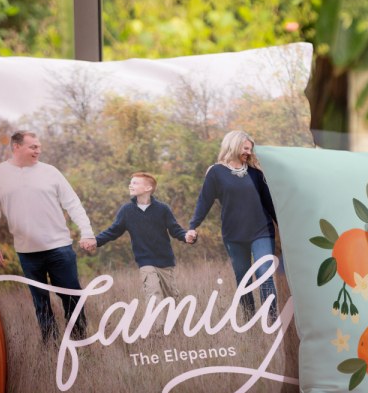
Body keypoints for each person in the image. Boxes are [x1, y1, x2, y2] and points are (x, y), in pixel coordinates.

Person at [0, 130, 96, 342]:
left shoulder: (50, 172)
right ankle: (50, 348)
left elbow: (73, 203)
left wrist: (87, 232)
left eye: (39, 146)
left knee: (72, 297)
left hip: (59, 247)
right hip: (27, 253)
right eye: (33, 146)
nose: (38, 150)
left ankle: (80, 343)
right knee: (40, 303)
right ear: (16, 147)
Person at [188, 130, 278, 318]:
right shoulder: (216, 173)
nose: (248, 152)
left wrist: (284, 227)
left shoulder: (256, 174)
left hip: (261, 231)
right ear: (234, 145)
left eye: (250, 149)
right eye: (245, 148)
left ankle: (271, 321)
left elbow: (270, 203)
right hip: (234, 235)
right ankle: (249, 321)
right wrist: (192, 226)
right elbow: (204, 201)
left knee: (264, 274)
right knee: (243, 279)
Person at [91, 172, 196, 303]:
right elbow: (113, 231)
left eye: (135, 183)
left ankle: (172, 324)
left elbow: (175, 230)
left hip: (165, 262)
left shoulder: (163, 209)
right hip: (145, 261)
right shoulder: (126, 211)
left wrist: (187, 237)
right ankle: (158, 324)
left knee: (171, 301)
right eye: (130, 182)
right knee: (154, 297)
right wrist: (96, 241)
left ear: (148, 188)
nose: (130, 185)